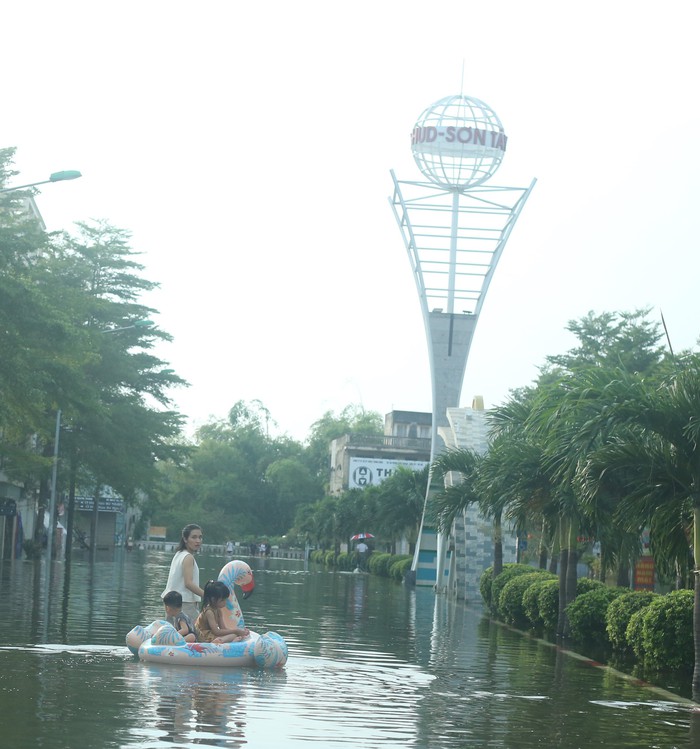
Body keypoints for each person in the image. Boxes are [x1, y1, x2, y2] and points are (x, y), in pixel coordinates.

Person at [161, 523, 204, 620]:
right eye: (194, 537)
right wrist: (207, 596)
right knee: (195, 633)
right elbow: (188, 583)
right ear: (185, 539)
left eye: (200, 537)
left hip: (171, 603)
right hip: (184, 604)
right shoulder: (188, 557)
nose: (198, 541)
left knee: (174, 634)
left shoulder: (179, 554)